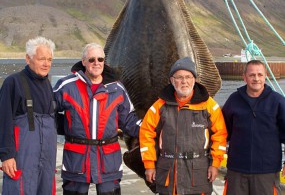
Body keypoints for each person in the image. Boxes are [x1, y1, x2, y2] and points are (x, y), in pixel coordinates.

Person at [53, 43, 141, 195]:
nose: (96, 63)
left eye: (100, 59)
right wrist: (63, 127)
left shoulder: (117, 88)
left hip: (108, 160)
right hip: (76, 160)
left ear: (104, 61)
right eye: (91, 59)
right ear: (83, 61)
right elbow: (46, 113)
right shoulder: (66, 86)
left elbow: (129, 120)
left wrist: (154, 131)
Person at [139, 56, 228, 195]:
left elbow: (220, 136)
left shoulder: (210, 106)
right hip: (168, 171)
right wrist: (149, 165)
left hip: (198, 172)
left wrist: (215, 164)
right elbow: (146, 135)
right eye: (179, 77)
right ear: (172, 80)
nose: (184, 81)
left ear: (194, 79)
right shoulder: (159, 106)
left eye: (188, 77)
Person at [0, 36, 57, 195]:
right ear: (28, 58)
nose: (46, 64)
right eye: (41, 59)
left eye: (49, 59)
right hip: (22, 160)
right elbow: (3, 121)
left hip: (46, 160)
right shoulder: (13, 82)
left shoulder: (48, 85)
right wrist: (7, 156)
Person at [222, 60, 285, 195]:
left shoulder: (278, 101)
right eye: (252, 75)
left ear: (265, 76)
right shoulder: (233, 100)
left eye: (260, 75)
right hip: (237, 170)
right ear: (244, 77)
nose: (256, 78)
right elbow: (222, 132)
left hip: (267, 172)